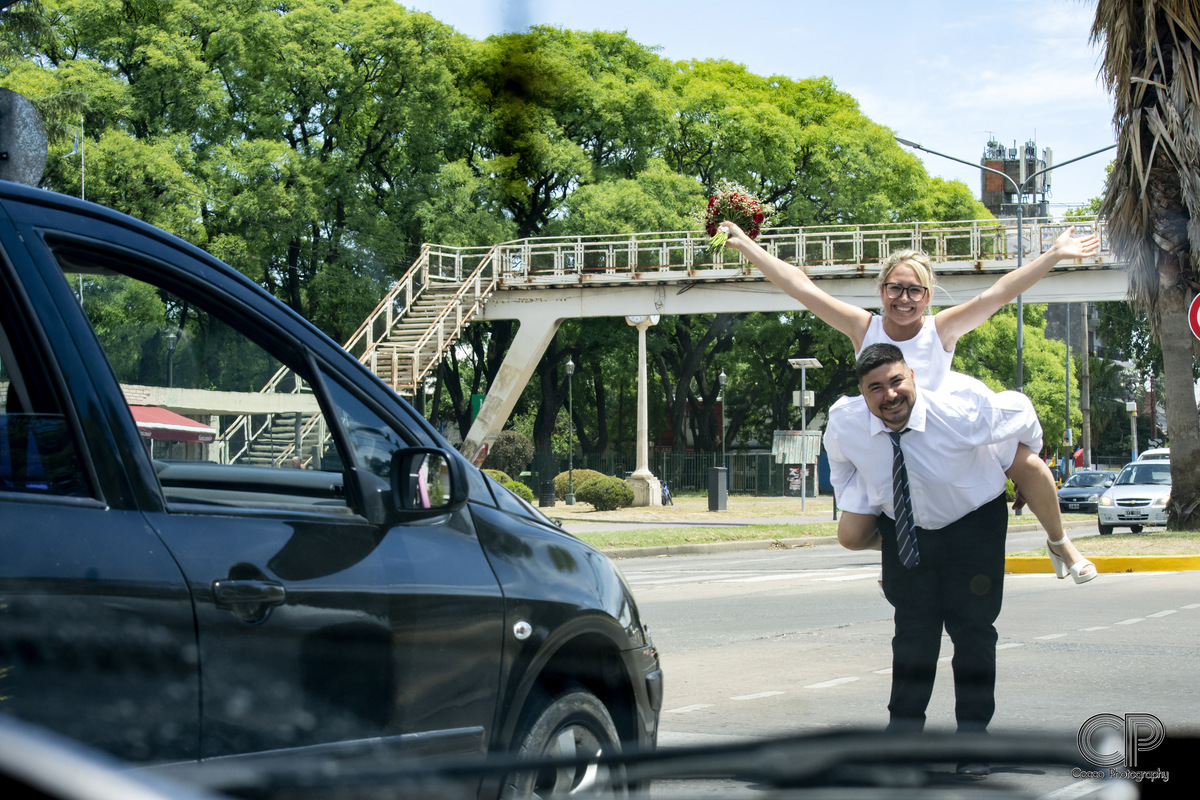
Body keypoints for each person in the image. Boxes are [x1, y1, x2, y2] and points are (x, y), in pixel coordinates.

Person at [720, 221, 1099, 584]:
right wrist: (749, 247)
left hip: (944, 435)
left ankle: (1059, 542)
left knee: (1028, 464)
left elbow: (998, 293)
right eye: (895, 288)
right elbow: (802, 287)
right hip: (889, 438)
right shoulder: (862, 327)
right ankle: (911, 549)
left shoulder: (941, 329)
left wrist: (1053, 254)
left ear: (928, 296)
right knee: (850, 535)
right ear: (882, 291)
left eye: (914, 291)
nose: (904, 299)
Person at [825, 344, 1043, 774]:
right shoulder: (845, 423)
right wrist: (870, 500)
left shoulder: (958, 412)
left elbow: (1020, 412)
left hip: (973, 521)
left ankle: (973, 742)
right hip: (906, 528)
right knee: (913, 633)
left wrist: (1029, 460)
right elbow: (842, 466)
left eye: (896, 382)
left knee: (973, 631)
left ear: (911, 378)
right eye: (875, 389)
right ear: (863, 395)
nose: (889, 395)